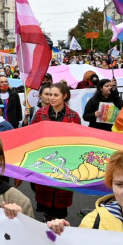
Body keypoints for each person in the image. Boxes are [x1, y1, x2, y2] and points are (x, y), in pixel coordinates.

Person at [30, 82, 82, 219]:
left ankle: (58, 224)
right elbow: (32, 135)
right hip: (44, 161)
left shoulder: (74, 116)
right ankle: (47, 220)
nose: (51, 98)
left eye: (55, 95)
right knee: (45, 200)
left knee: (60, 201)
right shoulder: (40, 114)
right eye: (50, 95)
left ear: (64, 96)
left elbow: (78, 142)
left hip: (65, 162)